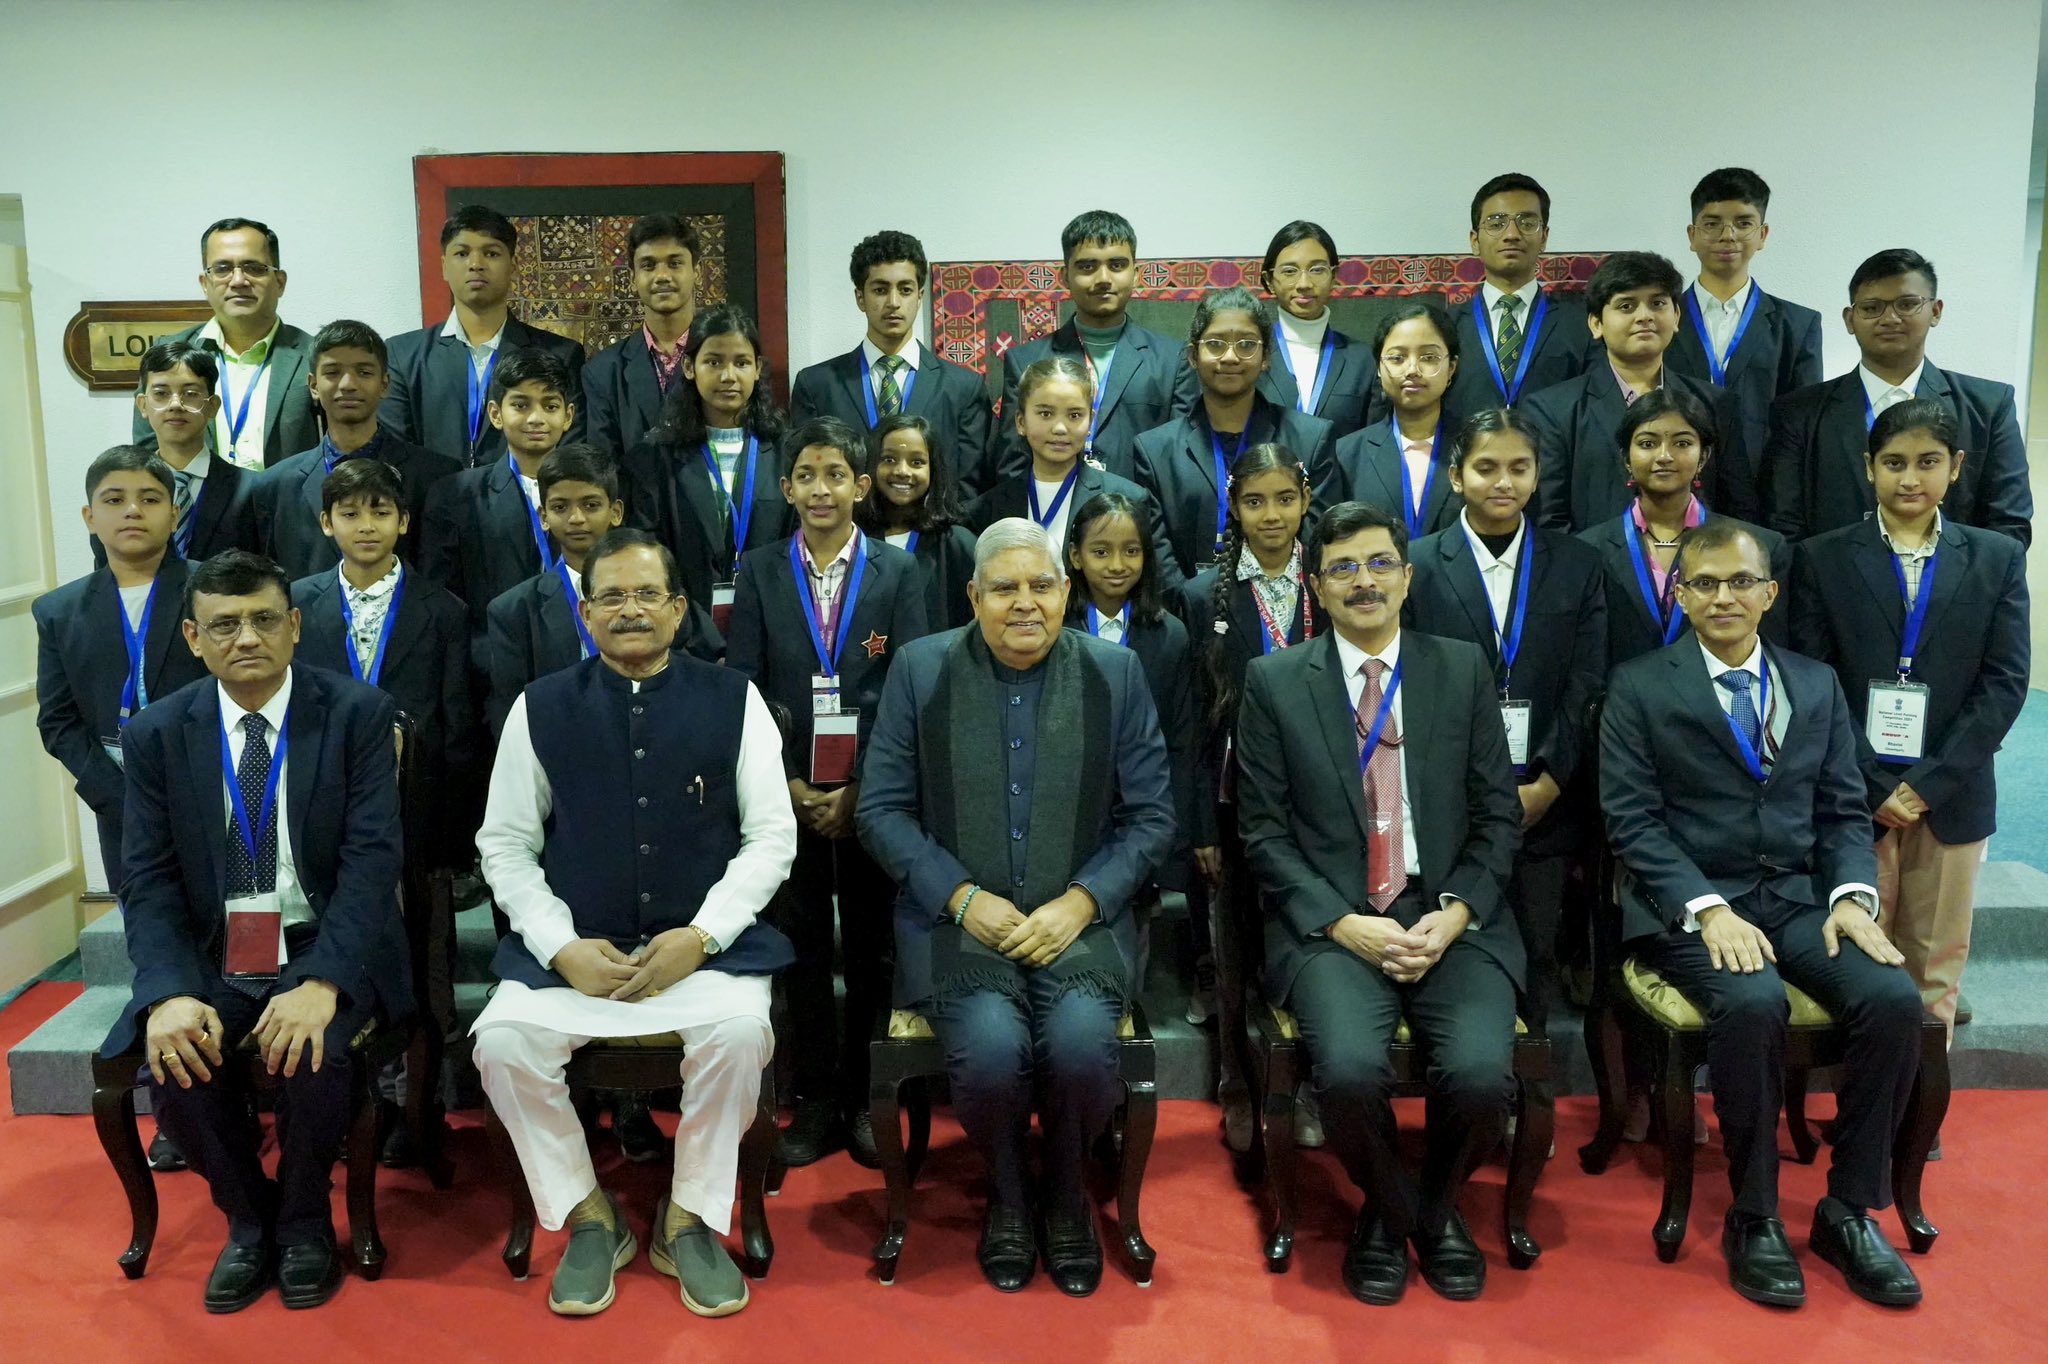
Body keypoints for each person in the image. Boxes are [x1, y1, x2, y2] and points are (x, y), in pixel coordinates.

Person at [1602, 518, 1926, 1309]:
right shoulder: (1640, 685)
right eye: (1704, 583)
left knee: (1893, 999)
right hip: (1688, 909)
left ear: (1769, 593)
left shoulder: (1813, 684)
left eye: (1740, 582)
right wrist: (1708, 910)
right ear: (1680, 593)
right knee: (1752, 1003)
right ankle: (1753, 1215)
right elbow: (1632, 822)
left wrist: (1852, 897)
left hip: (1796, 902)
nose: (1723, 597)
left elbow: (1845, 812)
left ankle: (1850, 1209)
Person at [472, 528, 796, 1318]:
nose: (629, 610)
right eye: (610, 596)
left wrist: (704, 934)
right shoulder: (539, 707)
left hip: (704, 956)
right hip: (579, 957)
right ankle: (589, 1214)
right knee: (503, 1043)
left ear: (681, 608)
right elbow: (505, 846)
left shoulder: (735, 699)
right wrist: (561, 945)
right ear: (584, 613)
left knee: (739, 1036)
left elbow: (772, 836)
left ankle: (687, 1217)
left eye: (647, 593)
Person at [857, 518, 1174, 1297]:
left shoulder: (1116, 672)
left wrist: (1082, 901)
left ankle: (1065, 1191)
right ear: (973, 596)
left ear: (1067, 591)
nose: (1024, 603)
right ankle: (1008, 1191)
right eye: (1004, 588)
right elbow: (882, 811)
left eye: (1040, 586)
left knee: (1076, 1044)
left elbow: (1153, 817)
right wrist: (962, 898)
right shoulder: (920, 670)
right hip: (958, 925)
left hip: (1081, 923)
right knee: (994, 1051)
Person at [1235, 500, 1523, 1306]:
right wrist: (1343, 922)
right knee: (1352, 1076)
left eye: (1378, 564)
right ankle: (1410, 1214)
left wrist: (1458, 911)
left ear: (1408, 574)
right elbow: (1261, 833)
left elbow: (1499, 815)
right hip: (1333, 924)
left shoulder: (1460, 667)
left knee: (1476, 1075)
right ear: (1317, 588)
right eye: (1342, 569)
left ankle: (1408, 1210)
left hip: (1451, 918)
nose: (1363, 582)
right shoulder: (1275, 682)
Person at [105, 550, 409, 1312]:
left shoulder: (356, 715)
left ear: (296, 625)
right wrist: (170, 991)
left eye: (264, 618)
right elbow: (146, 879)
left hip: (324, 938)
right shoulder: (155, 733)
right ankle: (249, 1221)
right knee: (177, 1056)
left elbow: (372, 864)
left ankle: (305, 1222)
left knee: (312, 1052)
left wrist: (323, 981)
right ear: (193, 636)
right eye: (225, 624)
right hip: (219, 946)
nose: (247, 637)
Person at [1792, 399, 2029, 1051]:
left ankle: (1915, 1120)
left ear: (1954, 468)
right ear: (1869, 468)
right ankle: (1858, 1105)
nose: (1909, 478)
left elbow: (2005, 684)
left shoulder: (1997, 558)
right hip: (1851, 793)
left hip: (1950, 795)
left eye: (1927, 462)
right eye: (1893, 462)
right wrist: (1871, 784)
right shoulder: (1823, 558)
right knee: (1855, 957)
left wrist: (1927, 784)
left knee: (1933, 966)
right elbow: (1816, 683)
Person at [726, 416, 927, 1168]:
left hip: (874, 798)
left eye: (835, 474)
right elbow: (742, 686)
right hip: (789, 794)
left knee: (875, 949)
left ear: (861, 485)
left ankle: (871, 1098)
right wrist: (784, 784)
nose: (821, 489)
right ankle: (813, 1100)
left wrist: (864, 787)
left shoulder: (900, 573)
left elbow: (910, 688)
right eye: (806, 475)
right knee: (802, 949)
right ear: (787, 488)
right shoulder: (758, 571)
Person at [1406, 409, 1605, 1028]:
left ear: (1538, 474)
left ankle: (1533, 1098)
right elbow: (1408, 683)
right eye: (1485, 467)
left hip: (1548, 801)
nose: (1503, 482)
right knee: (1463, 949)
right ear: (1456, 476)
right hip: (1450, 800)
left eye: (1519, 468)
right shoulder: (1417, 564)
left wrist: (1546, 782)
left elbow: (1587, 685)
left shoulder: (1577, 562)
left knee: (1539, 951)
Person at [1178, 443, 1321, 1152]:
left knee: (1310, 944)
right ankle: (1237, 1084)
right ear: (1234, 507)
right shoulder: (1203, 594)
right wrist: (1200, 821)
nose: (1272, 515)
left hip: (1321, 803)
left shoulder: (1329, 582)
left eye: (1285, 499)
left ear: (1305, 500)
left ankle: (1306, 1084)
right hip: (1233, 804)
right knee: (1233, 950)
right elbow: (1189, 725)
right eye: (1255, 501)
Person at [1764, 248, 2032, 546]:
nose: (1890, 318)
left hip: (1953, 590)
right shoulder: (1799, 412)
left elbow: (2009, 525)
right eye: (1871, 307)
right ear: (1850, 319)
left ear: (1936, 311)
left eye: (1907, 304)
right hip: (1831, 589)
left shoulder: (1989, 407)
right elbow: (1783, 529)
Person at [1062, 491, 1203, 1004]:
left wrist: (1185, 833)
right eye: (1101, 551)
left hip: (1141, 813)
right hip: (1070, 808)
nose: (1117, 565)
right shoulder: (1056, 626)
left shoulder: (1169, 635)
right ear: (1075, 555)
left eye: (1131, 551)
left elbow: (1183, 741)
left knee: (1129, 947)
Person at [486, 444, 723, 739]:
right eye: (561, 507)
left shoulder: (655, 592)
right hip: (565, 745)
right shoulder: (515, 610)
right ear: (543, 515)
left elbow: (712, 662)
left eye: (590, 505)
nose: (576, 518)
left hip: (662, 736)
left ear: (616, 512)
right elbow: (510, 714)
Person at [1131, 285, 1337, 592]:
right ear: (1192, 355)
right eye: (1215, 344)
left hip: (1287, 615)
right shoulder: (1155, 451)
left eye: (1246, 344)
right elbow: (1156, 550)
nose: (1230, 357)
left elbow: (1319, 538)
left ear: (1266, 356)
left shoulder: (1311, 438)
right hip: (1187, 617)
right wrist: (1193, 605)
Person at [1527, 251, 1750, 530]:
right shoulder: (1553, 410)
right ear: (1596, 324)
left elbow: (1737, 515)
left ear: (1677, 316)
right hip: (1594, 570)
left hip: (1698, 570)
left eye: (1657, 303)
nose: (1645, 316)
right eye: (1626, 306)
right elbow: (1551, 521)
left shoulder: (1715, 404)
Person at [1578, 388, 1792, 670]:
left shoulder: (1759, 545)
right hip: (1620, 706)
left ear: (1703, 457)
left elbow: (1773, 653)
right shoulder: (1587, 550)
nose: (1664, 456)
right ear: (1626, 458)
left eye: (1682, 443)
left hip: (1718, 707)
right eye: (1647, 443)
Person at [619, 303, 793, 629]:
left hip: (773, 629)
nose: (728, 376)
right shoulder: (653, 458)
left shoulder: (786, 454)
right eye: (713, 362)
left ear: (757, 369)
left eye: (741, 363)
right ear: (688, 367)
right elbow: (649, 561)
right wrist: (698, 636)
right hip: (682, 635)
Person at [994, 210, 1198, 483]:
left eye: (1116, 265)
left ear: (1135, 273)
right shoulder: (1025, 361)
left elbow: (1177, 463)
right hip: (1052, 517)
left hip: (1140, 516)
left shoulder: (1173, 361)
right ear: (1065, 276)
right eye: (1087, 266)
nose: (1103, 278)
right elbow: (1013, 464)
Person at [251, 320, 459, 580]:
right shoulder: (274, 487)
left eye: (364, 372)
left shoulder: (434, 477)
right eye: (333, 372)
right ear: (314, 386)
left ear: (385, 384)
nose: (348, 384)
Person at [381, 205, 587, 466]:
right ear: (444, 266)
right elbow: (397, 453)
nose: (476, 264)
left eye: (491, 253)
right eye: (462, 253)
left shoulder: (560, 354)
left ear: (513, 266)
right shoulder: (402, 355)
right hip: (432, 503)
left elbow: (568, 455)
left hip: (525, 504)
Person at [789, 230, 995, 491]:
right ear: (860, 298)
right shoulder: (817, 385)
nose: (894, 302)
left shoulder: (963, 388)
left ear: (920, 297)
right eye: (880, 290)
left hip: (932, 529)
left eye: (905, 290)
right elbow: (807, 476)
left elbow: (970, 484)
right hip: (848, 530)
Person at [418, 348, 579, 669]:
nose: (536, 418)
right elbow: (441, 597)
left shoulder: (595, 492)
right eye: (520, 405)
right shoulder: (455, 495)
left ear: (568, 417)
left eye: (550, 406)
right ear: (495, 413)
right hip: (492, 663)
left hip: (583, 652)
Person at [1664, 168, 1824, 473]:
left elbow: (1804, 426)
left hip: (1764, 488)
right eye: (1712, 223)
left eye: (1743, 223)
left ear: (1762, 235)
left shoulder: (1798, 326)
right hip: (1675, 483)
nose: (1728, 235)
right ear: (1692, 235)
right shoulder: (1661, 319)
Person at [132, 218, 319, 469]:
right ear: (205, 284)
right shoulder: (168, 354)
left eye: (254, 267)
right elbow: (146, 452)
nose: (239, 280)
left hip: (287, 506)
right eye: (222, 268)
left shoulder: (316, 356)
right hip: (195, 505)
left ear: (280, 282)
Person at [968, 356, 1173, 569]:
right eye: (1045, 413)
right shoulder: (985, 510)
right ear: (1021, 422)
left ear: (1090, 422)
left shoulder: (1129, 498)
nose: (1060, 428)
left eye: (1074, 415)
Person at [1441, 175, 1596, 428]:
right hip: (1467, 462)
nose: (1511, 234)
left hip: (1553, 463)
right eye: (1496, 223)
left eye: (1527, 222)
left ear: (1544, 238)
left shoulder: (1581, 326)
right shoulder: (1445, 328)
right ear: (1474, 241)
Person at [1318, 302, 1465, 544]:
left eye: (1428, 357)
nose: (1412, 370)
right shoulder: (1346, 455)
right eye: (1397, 358)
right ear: (1378, 367)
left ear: (1451, 367)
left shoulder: (1477, 449)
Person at [120, 341, 257, 564]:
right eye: (161, 393)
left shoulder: (251, 489)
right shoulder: (120, 492)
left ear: (213, 406)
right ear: (143, 405)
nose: (175, 404)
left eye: (190, 393)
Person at [581, 213, 701, 459]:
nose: (662, 276)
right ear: (633, 278)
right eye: (648, 265)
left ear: (697, 273)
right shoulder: (603, 372)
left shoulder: (727, 360)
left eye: (675, 263)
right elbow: (603, 464)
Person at [855, 412, 980, 632]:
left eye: (917, 462)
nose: (902, 471)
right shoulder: (854, 538)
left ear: (934, 470)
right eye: (889, 459)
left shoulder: (957, 544)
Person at [1256, 220, 1373, 438]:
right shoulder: (1251, 353)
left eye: (1317, 270)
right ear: (1269, 280)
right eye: (1290, 271)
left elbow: (1370, 444)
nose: (1304, 283)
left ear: (1334, 276)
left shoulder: (1362, 360)